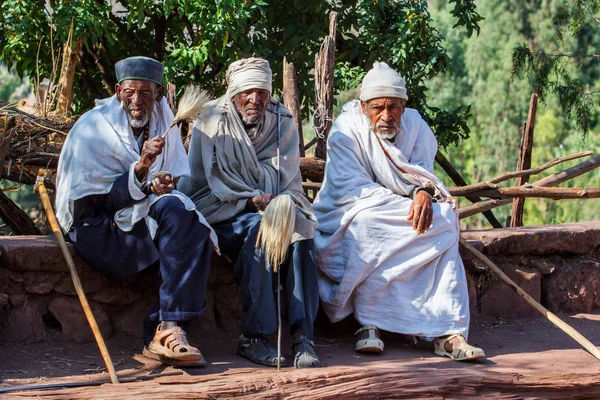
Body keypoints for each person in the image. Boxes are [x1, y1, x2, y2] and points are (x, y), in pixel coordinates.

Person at [312, 62, 485, 362]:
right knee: (367, 225)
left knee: (444, 218)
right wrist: (412, 197)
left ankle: (447, 332)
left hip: (397, 213)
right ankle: (369, 323)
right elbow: (351, 190)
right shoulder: (345, 129)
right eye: (378, 108)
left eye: (394, 107)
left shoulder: (416, 127)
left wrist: (423, 192)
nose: (386, 116)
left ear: (404, 106)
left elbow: (423, 175)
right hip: (352, 212)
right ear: (364, 106)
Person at [56, 56, 218, 368]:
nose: (137, 101)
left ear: (158, 94)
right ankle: (165, 331)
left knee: (189, 220)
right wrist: (142, 168)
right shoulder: (94, 128)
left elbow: (168, 181)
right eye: (130, 92)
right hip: (98, 228)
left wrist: (160, 182)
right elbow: (95, 202)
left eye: (146, 93)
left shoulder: (164, 119)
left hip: (137, 214)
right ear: (118, 90)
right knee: (175, 215)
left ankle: (168, 328)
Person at [179, 57, 320, 369]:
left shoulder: (282, 121)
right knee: (259, 230)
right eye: (248, 92)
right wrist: (251, 197)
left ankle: (303, 336)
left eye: (262, 93)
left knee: (302, 233)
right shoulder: (211, 119)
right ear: (233, 93)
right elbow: (211, 184)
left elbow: (287, 178)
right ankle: (253, 337)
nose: (255, 99)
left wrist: (274, 200)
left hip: (274, 207)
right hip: (221, 211)